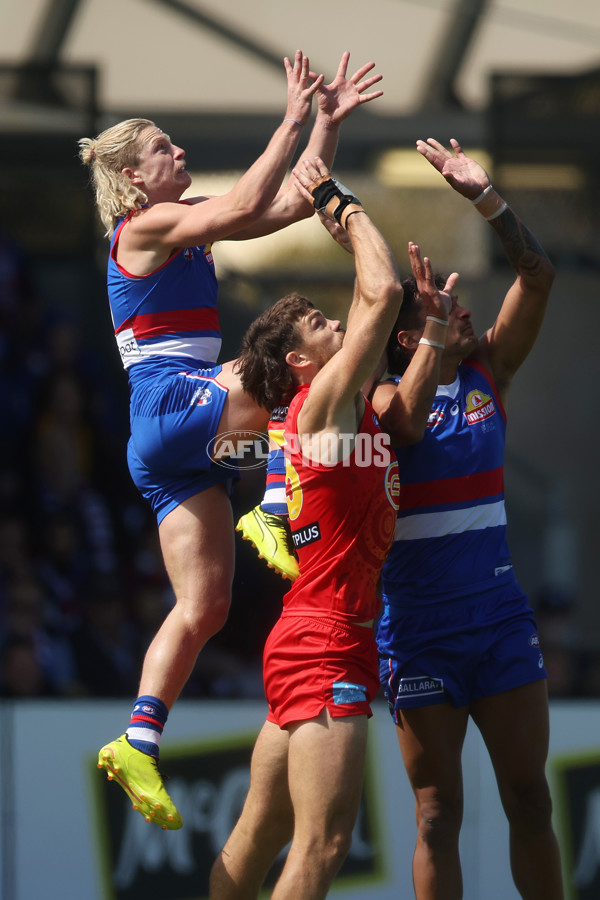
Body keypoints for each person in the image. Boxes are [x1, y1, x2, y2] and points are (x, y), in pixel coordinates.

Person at [78, 50, 384, 830]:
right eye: (163, 149)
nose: (178, 154)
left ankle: (139, 740)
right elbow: (250, 198)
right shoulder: (144, 227)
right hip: (176, 403)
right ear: (133, 178)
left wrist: (327, 123)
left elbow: (283, 202)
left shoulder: (183, 225)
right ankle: (275, 504)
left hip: (171, 444)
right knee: (298, 366)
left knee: (204, 606)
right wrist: (287, 116)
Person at [209, 161, 455, 900]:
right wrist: (338, 206)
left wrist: (437, 326)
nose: (339, 324)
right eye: (320, 325)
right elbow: (379, 292)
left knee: (260, 834)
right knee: (324, 846)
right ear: (298, 362)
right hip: (325, 642)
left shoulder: (350, 411)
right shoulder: (320, 408)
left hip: (311, 633)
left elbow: (407, 406)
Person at [372, 139, 563, 900]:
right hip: (419, 636)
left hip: (499, 626)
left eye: (452, 296)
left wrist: (486, 199)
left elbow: (539, 276)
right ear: (404, 333)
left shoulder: (490, 370)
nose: (454, 298)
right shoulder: (383, 399)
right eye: (436, 298)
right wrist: (426, 334)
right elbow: (408, 428)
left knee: (532, 801)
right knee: (435, 815)